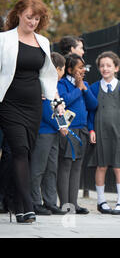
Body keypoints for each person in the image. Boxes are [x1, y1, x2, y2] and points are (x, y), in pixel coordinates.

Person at [0, 0, 63, 223]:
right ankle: (26, 206)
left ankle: (14, 201)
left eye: (37, 18)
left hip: (33, 104)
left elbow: (47, 75)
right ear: (18, 14)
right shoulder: (4, 40)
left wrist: (55, 100)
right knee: (18, 149)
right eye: (29, 17)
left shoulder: (43, 42)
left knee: (25, 153)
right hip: (8, 103)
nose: (33, 22)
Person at [88, 51, 120, 215]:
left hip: (119, 133)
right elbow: (91, 112)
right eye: (102, 66)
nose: (105, 69)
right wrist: (91, 129)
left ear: (116, 67)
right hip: (100, 132)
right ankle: (101, 201)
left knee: (119, 166)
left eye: (108, 65)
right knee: (101, 166)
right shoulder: (94, 87)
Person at [57, 53, 98, 214]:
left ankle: (73, 203)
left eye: (83, 67)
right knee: (66, 164)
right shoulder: (62, 84)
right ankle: (64, 204)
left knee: (77, 166)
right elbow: (63, 101)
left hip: (82, 129)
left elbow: (94, 105)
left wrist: (84, 89)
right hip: (69, 129)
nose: (83, 70)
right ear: (69, 69)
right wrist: (78, 89)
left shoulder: (84, 84)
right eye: (79, 67)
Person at [30, 52, 69, 215]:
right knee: (38, 168)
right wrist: (60, 125)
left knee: (51, 168)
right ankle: (35, 202)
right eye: (63, 69)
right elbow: (46, 110)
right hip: (44, 131)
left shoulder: (54, 87)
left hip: (53, 132)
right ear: (58, 69)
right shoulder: (44, 85)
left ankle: (51, 201)